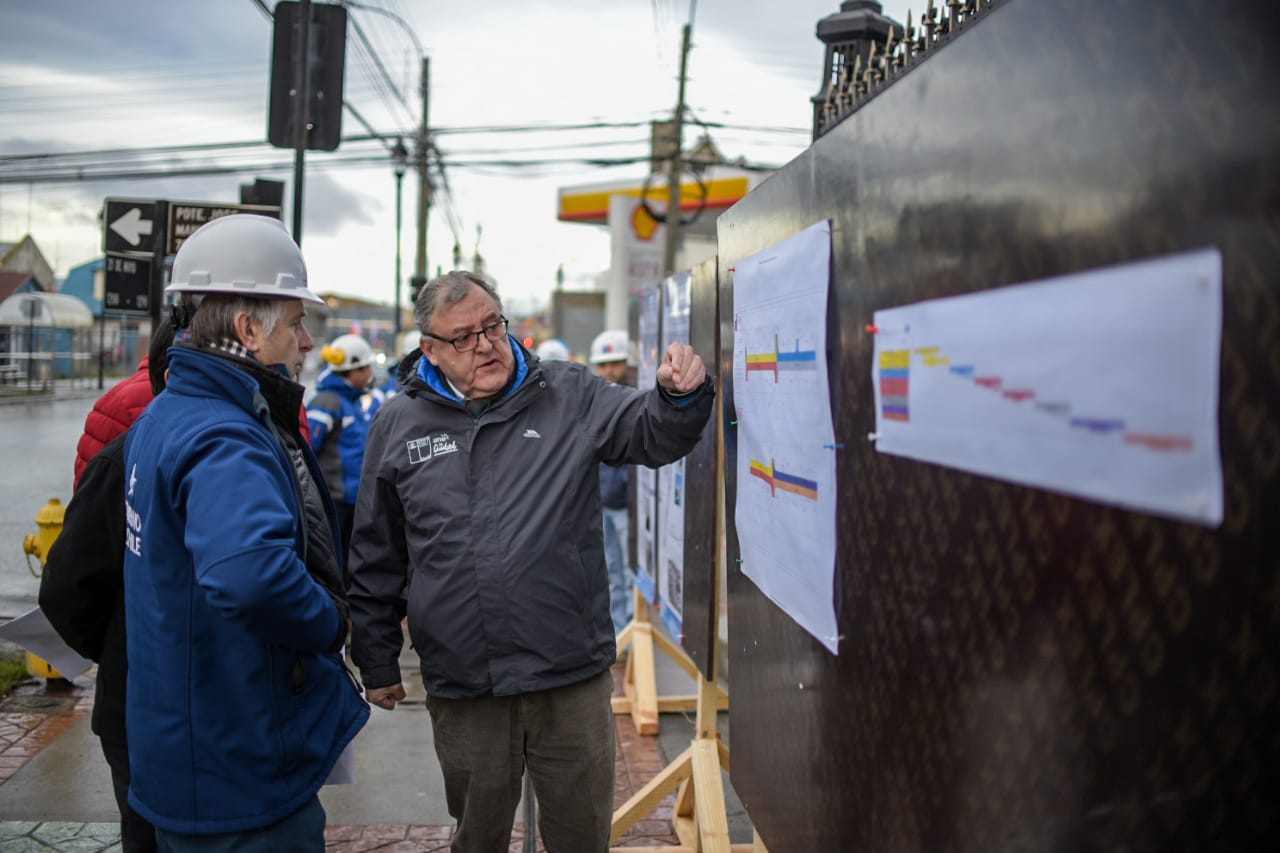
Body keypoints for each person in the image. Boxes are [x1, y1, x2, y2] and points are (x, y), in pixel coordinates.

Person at [347, 270, 714, 852]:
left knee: (579, 835)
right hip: (465, 684)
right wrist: (377, 659)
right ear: (432, 351)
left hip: (567, 676)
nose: (486, 345)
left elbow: (652, 432)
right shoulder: (399, 424)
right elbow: (376, 550)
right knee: (479, 835)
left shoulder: (568, 393)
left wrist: (678, 395)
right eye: (463, 337)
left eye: (492, 325)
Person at [122, 214, 369, 850]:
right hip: (237, 764)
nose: (308, 340)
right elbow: (250, 577)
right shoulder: (225, 435)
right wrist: (330, 623)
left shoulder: (167, 415)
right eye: (294, 322)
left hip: (189, 748)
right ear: (247, 330)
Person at [40, 317, 175, 853]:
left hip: (133, 695)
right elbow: (71, 587)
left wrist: (115, 649)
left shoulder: (118, 442)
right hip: (158, 699)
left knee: (143, 828)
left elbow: (73, 584)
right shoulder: (132, 455)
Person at [307, 333, 380, 555]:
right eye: (366, 368)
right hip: (334, 501)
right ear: (352, 370)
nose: (370, 374)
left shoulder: (352, 401)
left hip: (351, 499)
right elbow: (308, 449)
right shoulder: (327, 402)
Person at [589, 329, 635, 634]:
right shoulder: (592, 400)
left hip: (629, 504)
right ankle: (621, 630)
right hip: (602, 501)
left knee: (630, 572)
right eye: (603, 364)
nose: (609, 370)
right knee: (613, 571)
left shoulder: (637, 401)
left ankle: (631, 627)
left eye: (615, 363)